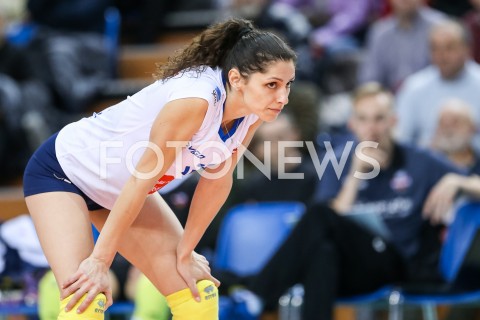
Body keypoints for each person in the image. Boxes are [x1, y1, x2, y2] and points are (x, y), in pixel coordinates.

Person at [22, 17, 296, 320]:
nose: (282, 97)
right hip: (63, 173)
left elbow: (216, 182)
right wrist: (100, 261)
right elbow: (140, 182)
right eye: (272, 85)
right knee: (86, 297)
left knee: (198, 290)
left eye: (287, 85)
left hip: (119, 189)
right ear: (236, 79)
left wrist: (185, 251)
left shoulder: (251, 113)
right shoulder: (196, 101)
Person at [230, 82, 463, 320]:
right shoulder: (338, 162)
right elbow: (332, 219)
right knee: (323, 250)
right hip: (356, 265)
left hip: (400, 263)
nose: (372, 128)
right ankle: (260, 296)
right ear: (353, 124)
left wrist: (456, 181)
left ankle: (258, 295)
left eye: (379, 119)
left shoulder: (420, 160)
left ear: (394, 121)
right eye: (363, 119)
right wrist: (356, 174)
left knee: (320, 215)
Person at [395, 18, 480, 150]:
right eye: (435, 48)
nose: (442, 55)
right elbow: (401, 139)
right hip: (427, 163)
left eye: (449, 48)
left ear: (467, 49)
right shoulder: (414, 87)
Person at [358, 0, 446, 92]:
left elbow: (449, 73)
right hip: (390, 101)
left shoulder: (441, 27)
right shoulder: (379, 32)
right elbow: (369, 79)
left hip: (432, 97)